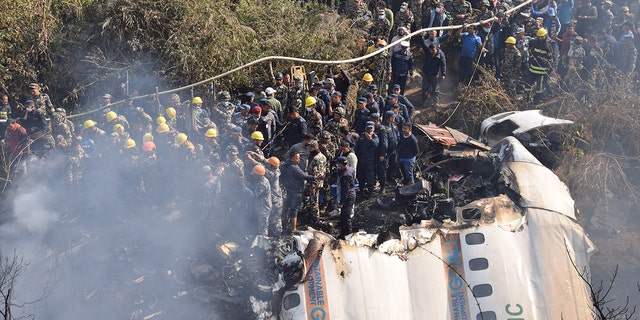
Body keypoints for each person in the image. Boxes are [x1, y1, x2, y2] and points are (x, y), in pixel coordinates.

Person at [280, 151, 319, 233]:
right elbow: (304, 176)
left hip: (286, 191)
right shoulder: (294, 167)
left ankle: (284, 226)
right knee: (294, 209)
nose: (298, 160)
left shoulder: (283, 165)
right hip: (296, 191)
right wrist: (314, 177)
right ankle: (293, 228)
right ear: (292, 158)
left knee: (285, 208)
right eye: (297, 158)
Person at [243, 164, 272, 236]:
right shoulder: (260, 180)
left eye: (254, 175)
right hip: (260, 207)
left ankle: (263, 243)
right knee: (259, 226)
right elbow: (254, 187)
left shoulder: (262, 184)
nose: (253, 176)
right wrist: (246, 183)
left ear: (258, 175)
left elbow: (253, 195)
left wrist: (244, 188)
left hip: (264, 209)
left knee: (263, 228)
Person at [527, 28, 554, 103]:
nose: (540, 38)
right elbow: (529, 48)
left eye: (542, 36)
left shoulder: (548, 46)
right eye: (539, 36)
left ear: (545, 36)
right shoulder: (534, 42)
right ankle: (527, 98)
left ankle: (537, 100)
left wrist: (550, 69)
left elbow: (550, 58)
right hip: (533, 69)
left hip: (542, 71)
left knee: (540, 86)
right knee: (528, 84)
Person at [355, 121, 379, 196]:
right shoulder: (362, 136)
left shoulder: (375, 137)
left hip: (370, 161)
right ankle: (361, 190)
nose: (369, 129)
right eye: (368, 128)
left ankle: (370, 192)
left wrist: (370, 139)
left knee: (370, 178)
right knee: (361, 177)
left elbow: (375, 145)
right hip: (361, 160)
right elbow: (357, 147)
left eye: (371, 128)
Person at [335, 156, 356, 239]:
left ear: (341, 164)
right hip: (352, 193)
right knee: (343, 216)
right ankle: (343, 233)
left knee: (346, 217)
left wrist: (341, 202)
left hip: (348, 197)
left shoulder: (345, 175)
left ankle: (349, 235)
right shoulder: (351, 169)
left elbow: (345, 191)